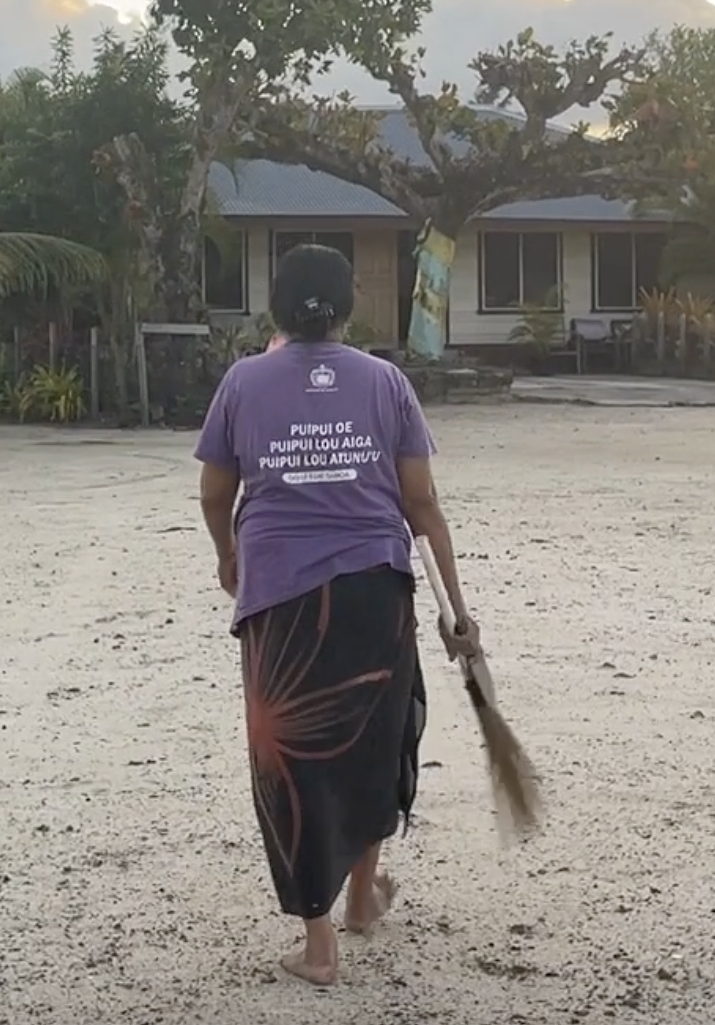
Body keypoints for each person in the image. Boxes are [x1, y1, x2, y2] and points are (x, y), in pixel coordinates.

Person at [197, 243, 478, 987]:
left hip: (281, 596)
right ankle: (361, 896)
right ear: (348, 306)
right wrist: (458, 610)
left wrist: (228, 554)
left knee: (294, 759)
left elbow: (213, 492)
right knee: (373, 742)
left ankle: (322, 940)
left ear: (277, 307)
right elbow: (421, 504)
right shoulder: (386, 382)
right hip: (373, 591)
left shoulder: (243, 383)